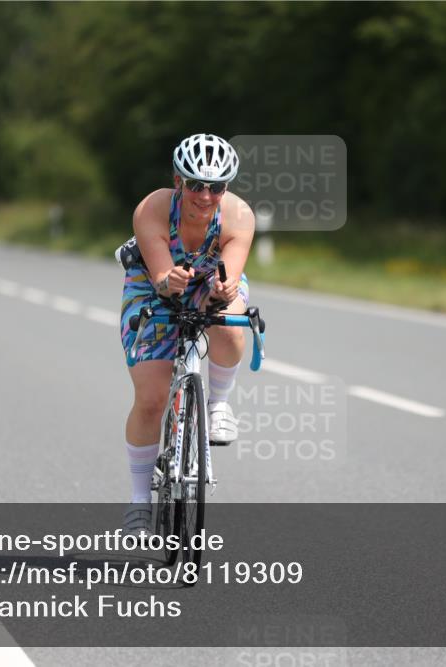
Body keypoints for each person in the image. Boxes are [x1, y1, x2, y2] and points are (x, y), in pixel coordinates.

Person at [118, 133, 255, 538]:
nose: (205, 195)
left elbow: (229, 273)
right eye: (196, 185)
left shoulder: (239, 215)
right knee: (152, 399)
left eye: (216, 187)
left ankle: (218, 406)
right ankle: (140, 502)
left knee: (231, 319)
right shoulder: (153, 208)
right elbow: (161, 276)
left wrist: (222, 290)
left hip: (208, 279)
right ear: (179, 181)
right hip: (152, 282)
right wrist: (168, 279)